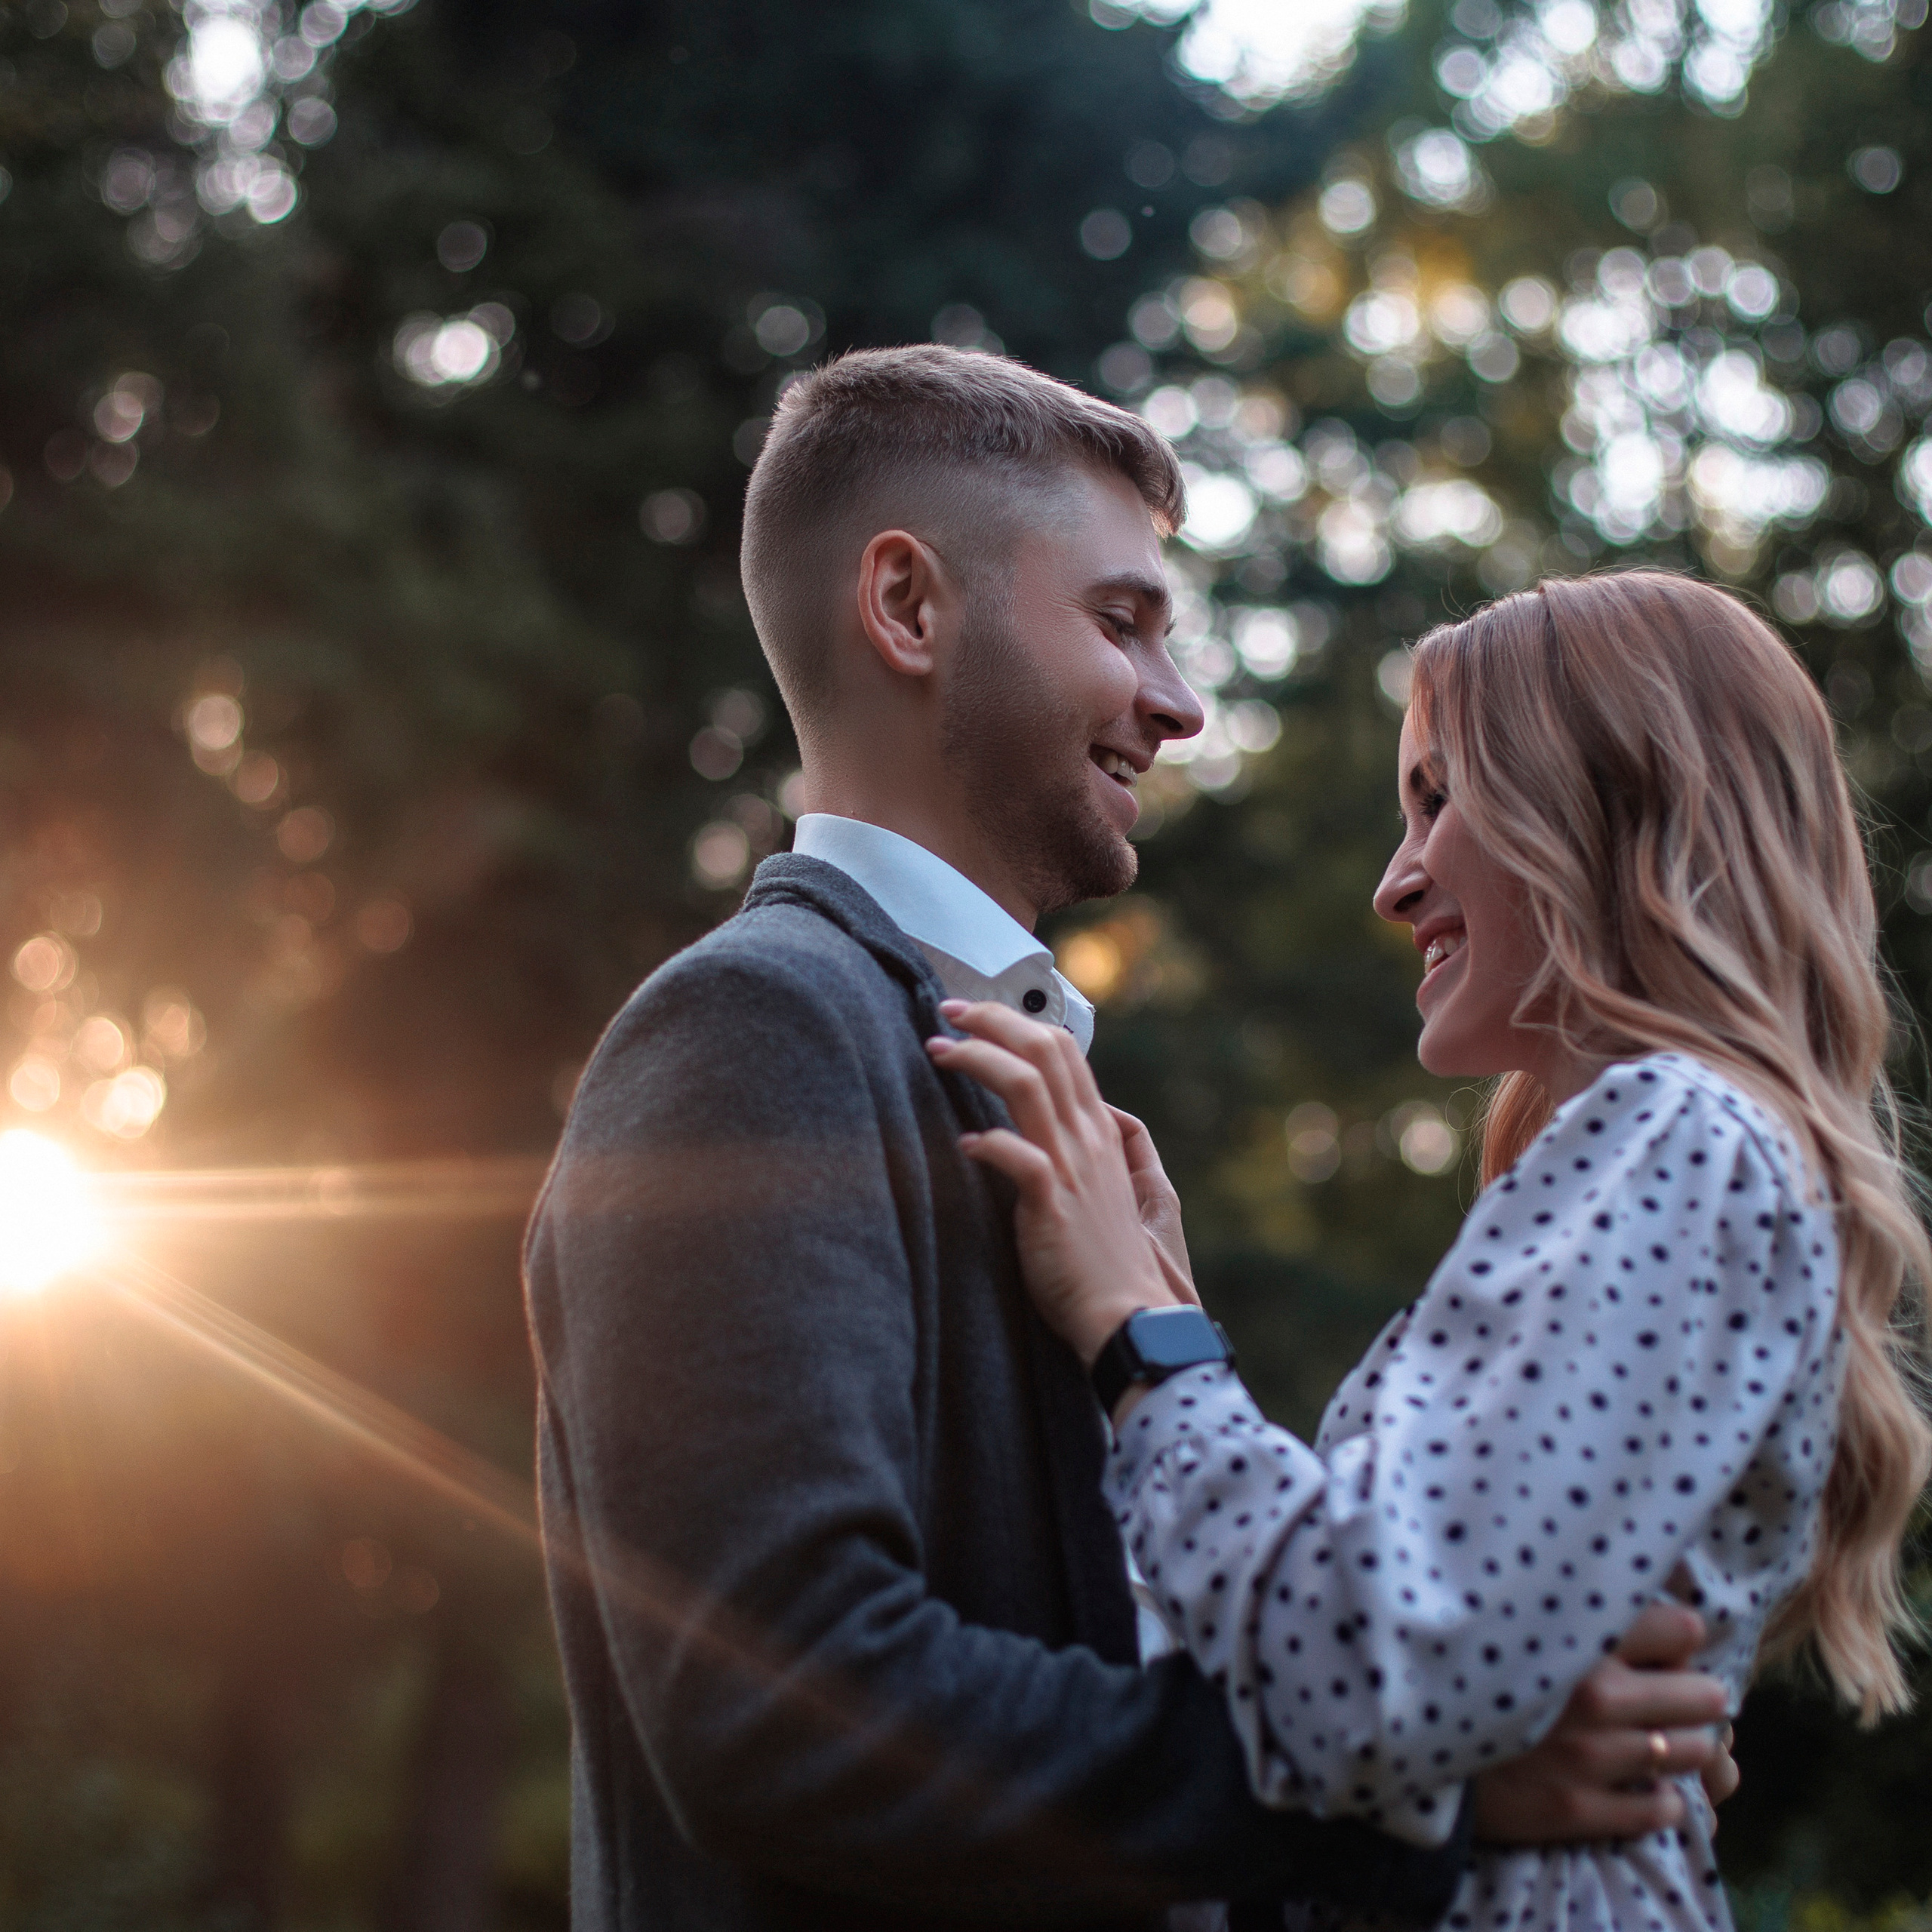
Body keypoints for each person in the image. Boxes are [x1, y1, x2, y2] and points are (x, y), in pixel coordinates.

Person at [525, 354, 1738, 1932]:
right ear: (906, 607)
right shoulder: (755, 1033)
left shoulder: (1021, 1082)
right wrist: (1399, 1786)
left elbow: (1117, 1670)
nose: (1179, 703)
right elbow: (779, 1703)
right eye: (1122, 622)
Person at [934, 570, 1932, 1932]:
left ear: (1617, 802)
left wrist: (1137, 1331)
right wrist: (1168, 1302)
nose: (1396, 884)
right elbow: (1386, 1639)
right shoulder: (1667, 1159)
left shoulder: (1679, 1138)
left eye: (1441, 800)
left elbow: (1361, 1675)